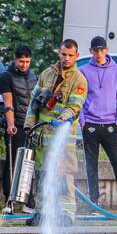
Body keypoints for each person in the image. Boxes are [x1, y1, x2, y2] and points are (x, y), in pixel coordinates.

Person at [23, 39, 87, 222]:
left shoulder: (79, 80)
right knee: (43, 174)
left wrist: (62, 118)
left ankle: (67, 214)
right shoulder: (47, 74)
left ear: (76, 56)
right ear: (59, 53)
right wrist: (29, 126)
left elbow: (75, 106)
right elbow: (33, 103)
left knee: (64, 176)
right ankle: (43, 211)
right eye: (63, 54)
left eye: (70, 55)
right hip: (42, 138)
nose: (66, 58)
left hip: (62, 140)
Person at [79, 36, 117, 215]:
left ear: (107, 49)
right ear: (91, 51)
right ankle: (94, 203)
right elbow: (79, 99)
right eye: (95, 50)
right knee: (91, 165)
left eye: (102, 50)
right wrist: (83, 122)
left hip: (110, 125)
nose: (99, 54)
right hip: (91, 125)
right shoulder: (83, 70)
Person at [0, 45, 37, 197]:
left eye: (27, 62)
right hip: (17, 123)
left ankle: (28, 198)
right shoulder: (6, 77)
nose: (24, 65)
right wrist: (11, 125)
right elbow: (8, 104)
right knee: (13, 162)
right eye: (21, 61)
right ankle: (9, 197)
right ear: (15, 60)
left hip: (31, 124)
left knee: (29, 163)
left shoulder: (34, 76)